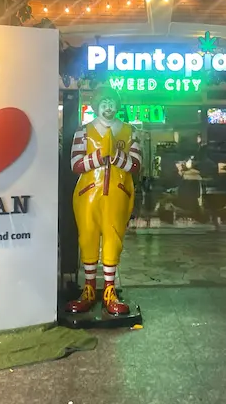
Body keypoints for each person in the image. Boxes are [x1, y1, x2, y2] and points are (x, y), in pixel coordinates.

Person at [66, 87, 141, 316]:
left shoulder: (130, 131)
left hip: (117, 193)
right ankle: (88, 289)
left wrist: (116, 157)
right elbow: (76, 164)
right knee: (87, 237)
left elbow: (136, 165)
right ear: (96, 105)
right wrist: (100, 156)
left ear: (117, 105)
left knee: (113, 239)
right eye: (104, 102)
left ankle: (109, 290)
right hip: (88, 194)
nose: (108, 107)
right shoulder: (84, 131)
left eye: (111, 102)